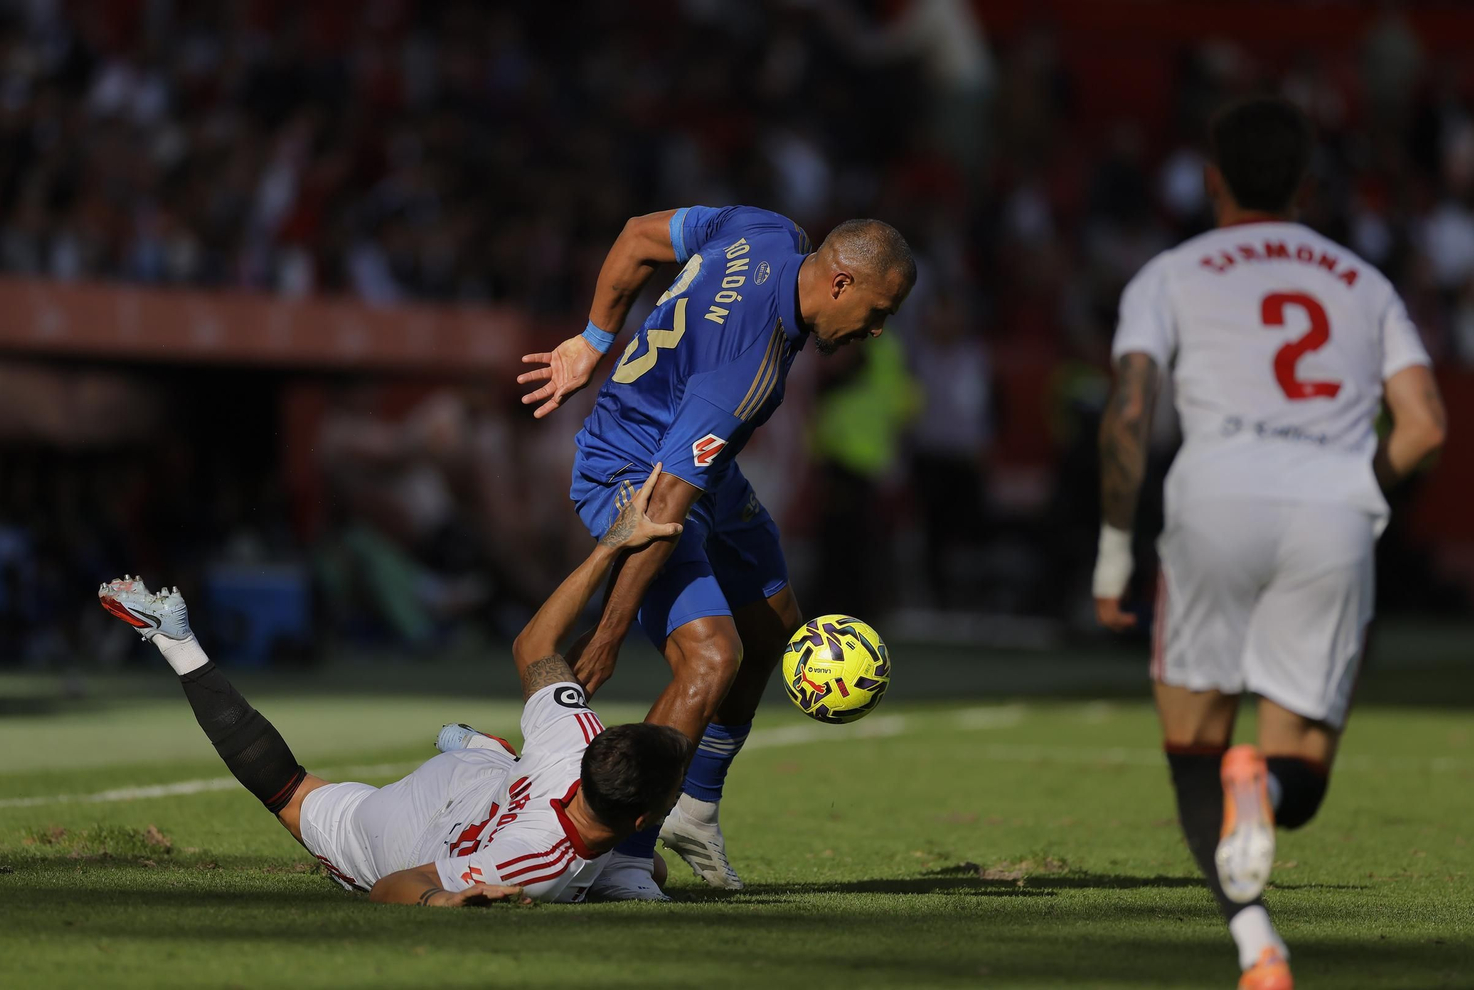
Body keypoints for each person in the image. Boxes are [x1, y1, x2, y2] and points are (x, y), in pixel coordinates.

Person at [1092, 98, 1447, 990]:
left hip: (1214, 501)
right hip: (1330, 508)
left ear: (1212, 180)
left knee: (1194, 750)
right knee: (1302, 768)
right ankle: (1271, 790)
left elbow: (1128, 414)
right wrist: (1356, 489)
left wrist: (1114, 552)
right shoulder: (1364, 281)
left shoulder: (1169, 274)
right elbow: (1425, 427)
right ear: (1307, 186)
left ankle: (1259, 949)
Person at [517, 207, 916, 898]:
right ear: (841, 283)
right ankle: (624, 860)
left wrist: (592, 339)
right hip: (633, 474)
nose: (877, 330)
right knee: (711, 658)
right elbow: (664, 506)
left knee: (773, 627)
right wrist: (610, 634)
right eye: (878, 312)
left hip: (703, 470)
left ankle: (694, 808)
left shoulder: (768, 232)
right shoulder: (746, 366)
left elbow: (638, 235)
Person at [98, 466, 692, 906]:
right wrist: (444, 902)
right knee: (290, 794)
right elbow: (396, 887)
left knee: (644, 871)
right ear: (643, 820)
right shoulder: (537, 867)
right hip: (403, 837)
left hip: (480, 785)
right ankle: (178, 644)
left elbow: (533, 646)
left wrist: (609, 545)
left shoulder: (578, 739)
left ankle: (489, 751)